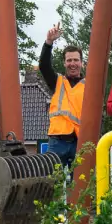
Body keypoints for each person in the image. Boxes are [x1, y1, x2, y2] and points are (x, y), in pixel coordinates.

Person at [38, 24, 84, 168]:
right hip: (57, 141)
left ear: (81, 63)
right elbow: (44, 66)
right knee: (52, 178)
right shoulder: (57, 81)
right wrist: (49, 42)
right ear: (64, 63)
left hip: (80, 141)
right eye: (69, 60)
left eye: (76, 60)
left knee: (81, 180)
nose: (72, 64)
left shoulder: (89, 86)